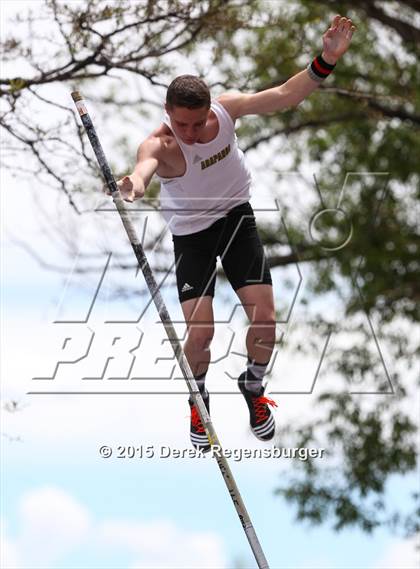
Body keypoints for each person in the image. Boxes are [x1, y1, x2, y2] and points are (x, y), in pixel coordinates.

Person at [105, 15, 356, 452]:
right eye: (182, 124)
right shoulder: (160, 146)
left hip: (237, 220)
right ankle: (198, 399)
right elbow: (143, 169)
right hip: (193, 237)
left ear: (208, 112)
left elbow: (285, 96)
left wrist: (326, 60)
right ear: (169, 114)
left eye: (197, 123)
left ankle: (252, 387)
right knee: (202, 334)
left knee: (266, 321)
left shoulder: (226, 110)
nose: (191, 132)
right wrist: (134, 184)